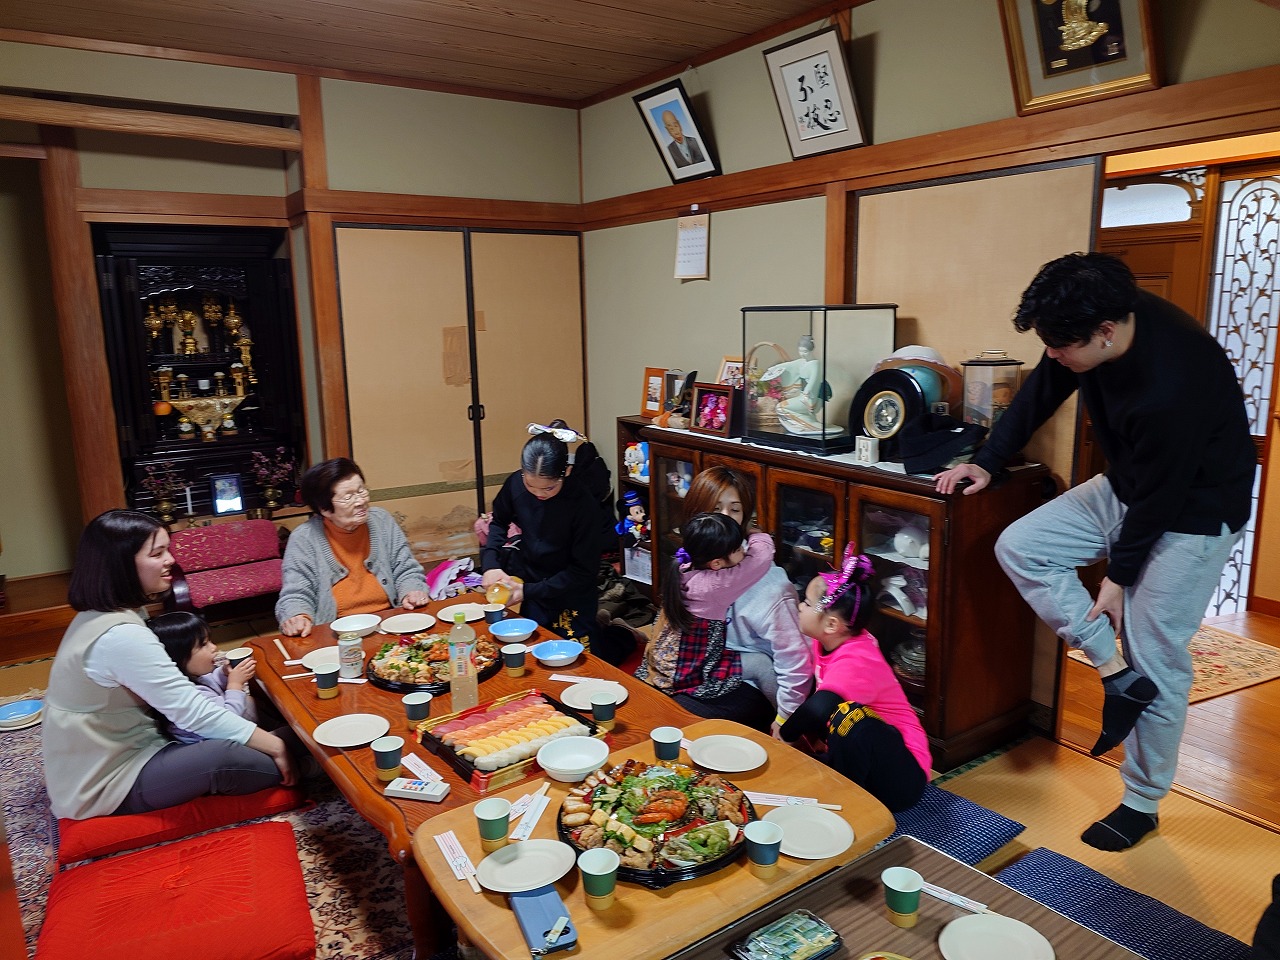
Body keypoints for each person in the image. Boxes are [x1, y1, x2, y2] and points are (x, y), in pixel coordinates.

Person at [935, 252, 1255, 851]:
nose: (1053, 356)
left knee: (1155, 653)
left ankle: (1142, 801)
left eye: (1061, 347)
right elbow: (1042, 389)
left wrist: (1117, 577)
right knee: (1023, 545)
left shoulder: (1175, 379)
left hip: (1194, 511)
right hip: (1131, 484)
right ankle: (1114, 673)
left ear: (1106, 332)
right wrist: (987, 461)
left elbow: (1163, 497)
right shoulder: (1091, 322)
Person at [42, 510, 294, 820]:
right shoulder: (120, 636)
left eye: (167, 550)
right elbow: (192, 713)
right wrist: (274, 745)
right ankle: (309, 760)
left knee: (253, 728)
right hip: (108, 777)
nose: (171, 560)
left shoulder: (103, 614)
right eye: (157, 553)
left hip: (124, 747)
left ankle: (301, 742)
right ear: (122, 564)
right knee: (221, 756)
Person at [781, 546, 930, 812]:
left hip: (903, 777)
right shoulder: (827, 641)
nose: (800, 606)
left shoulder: (859, 658)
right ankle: (842, 787)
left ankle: (849, 803)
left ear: (831, 625)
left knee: (847, 715)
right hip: (865, 760)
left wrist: (784, 734)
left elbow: (818, 707)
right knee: (832, 722)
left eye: (807, 602)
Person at [682, 466, 813, 734]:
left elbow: (795, 660)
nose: (725, 518)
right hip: (707, 665)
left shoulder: (769, 585)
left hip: (753, 684)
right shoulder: (693, 562)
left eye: (735, 509)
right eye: (715, 508)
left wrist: (786, 720)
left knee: (685, 723)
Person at [481, 420, 606, 653]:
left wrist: (527, 591)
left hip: (572, 589)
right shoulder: (515, 484)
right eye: (531, 485)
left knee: (581, 657)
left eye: (548, 488)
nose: (539, 493)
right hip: (533, 581)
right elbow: (498, 521)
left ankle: (620, 636)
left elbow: (583, 570)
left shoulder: (583, 504)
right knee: (534, 650)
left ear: (566, 472)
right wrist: (490, 565)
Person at [276, 457, 430, 638]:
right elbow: (296, 592)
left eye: (361, 490)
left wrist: (412, 590)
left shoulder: (382, 521)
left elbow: (406, 568)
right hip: (336, 632)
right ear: (324, 509)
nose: (360, 501)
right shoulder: (304, 538)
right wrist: (297, 616)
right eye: (348, 497)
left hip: (391, 622)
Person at [660, 513, 774, 711]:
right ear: (716, 564)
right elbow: (761, 557)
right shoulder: (715, 585)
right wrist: (755, 534)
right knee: (762, 664)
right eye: (738, 549)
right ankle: (785, 721)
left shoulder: (684, 566)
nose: (744, 550)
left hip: (668, 660)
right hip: (691, 672)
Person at [152, 610, 258, 743]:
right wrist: (235, 684)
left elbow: (210, 680)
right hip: (221, 743)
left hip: (226, 732)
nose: (214, 647)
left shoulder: (192, 676)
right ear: (177, 657)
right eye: (203, 644)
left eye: (210, 641)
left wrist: (224, 673)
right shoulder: (189, 697)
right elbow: (230, 722)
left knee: (251, 702)